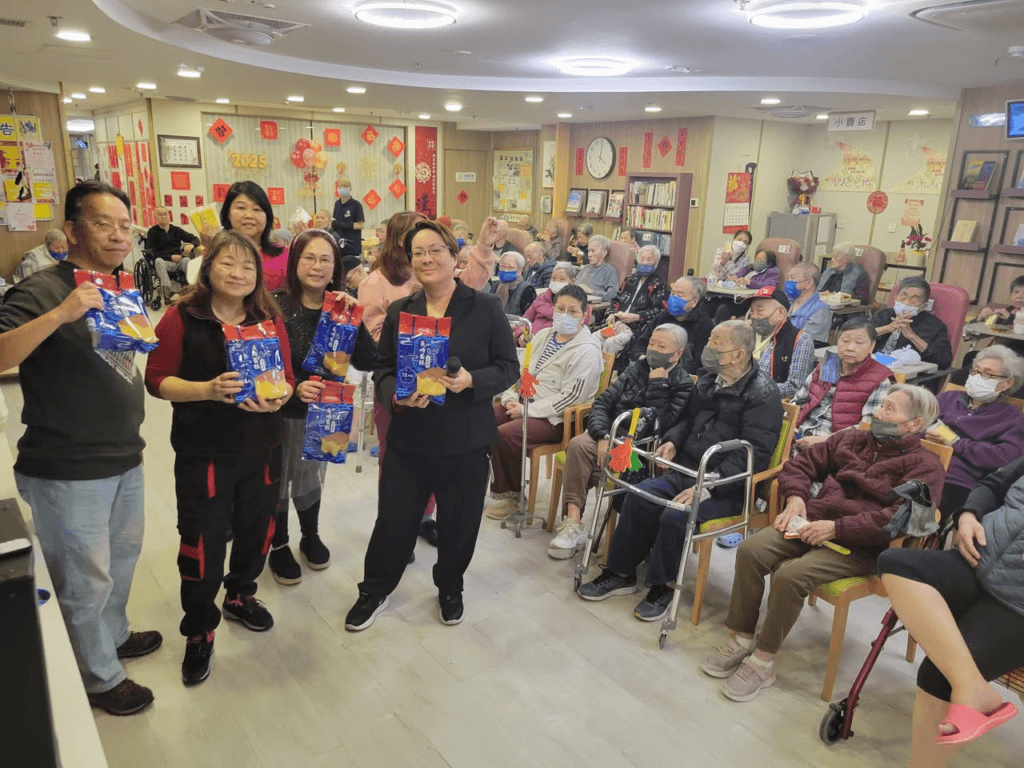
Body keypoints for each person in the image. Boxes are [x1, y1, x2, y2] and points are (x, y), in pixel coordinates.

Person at [0, 180, 159, 716]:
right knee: (83, 576)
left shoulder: (118, 287)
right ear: (71, 230)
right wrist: (61, 315)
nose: (118, 235)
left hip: (123, 454)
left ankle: (112, 637)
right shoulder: (42, 290)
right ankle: (97, 676)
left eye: (124, 226)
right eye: (102, 224)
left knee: (120, 560)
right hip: (67, 464)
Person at [700, 385, 945, 702]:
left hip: (864, 545)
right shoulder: (852, 439)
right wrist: (795, 498)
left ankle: (763, 660)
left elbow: (901, 519)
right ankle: (743, 638)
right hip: (814, 521)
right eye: (881, 405)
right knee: (751, 550)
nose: (877, 413)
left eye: (889, 409)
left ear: (914, 424)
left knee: (791, 575)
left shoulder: (926, 466)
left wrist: (837, 528)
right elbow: (800, 465)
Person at [345, 220, 519, 631]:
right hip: (410, 437)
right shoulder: (401, 310)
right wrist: (396, 396)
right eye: (418, 252)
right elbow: (384, 369)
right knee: (394, 520)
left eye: (435, 250)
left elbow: (508, 367)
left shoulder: (485, 308)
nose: (426, 259)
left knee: (459, 523)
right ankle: (374, 589)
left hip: (465, 437)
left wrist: (472, 380)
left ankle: (450, 586)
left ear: (454, 256)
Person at [145, 231, 295, 685]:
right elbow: (157, 379)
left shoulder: (268, 318)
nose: (238, 273)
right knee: (203, 543)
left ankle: (240, 595)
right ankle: (199, 630)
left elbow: (287, 379)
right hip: (205, 452)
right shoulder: (181, 317)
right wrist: (206, 390)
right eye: (227, 263)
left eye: (248, 266)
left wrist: (279, 397)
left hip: (263, 445)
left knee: (256, 529)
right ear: (208, 268)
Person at [577, 321, 783, 622]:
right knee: (639, 496)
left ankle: (664, 586)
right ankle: (620, 573)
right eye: (709, 339)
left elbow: (755, 454)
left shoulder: (763, 394)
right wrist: (673, 441)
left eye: (716, 343)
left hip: (726, 487)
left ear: (738, 354)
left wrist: (708, 486)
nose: (708, 347)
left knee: (676, 514)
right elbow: (687, 419)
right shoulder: (709, 379)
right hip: (686, 469)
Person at [877, 459, 1024, 766]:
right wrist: (968, 515)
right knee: (896, 563)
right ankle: (973, 689)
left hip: (1015, 607)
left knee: (938, 676)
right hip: (976, 560)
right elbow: (993, 485)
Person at [267, 230, 376, 585]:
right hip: (280, 411)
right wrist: (293, 387)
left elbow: (368, 360)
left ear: (335, 268)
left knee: (311, 479)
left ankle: (309, 535)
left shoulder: (341, 308)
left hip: (326, 413)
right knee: (278, 481)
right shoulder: (273, 305)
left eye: (325, 259)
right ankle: (278, 543)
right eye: (309, 258)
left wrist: (354, 315)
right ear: (295, 262)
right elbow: (263, 362)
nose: (317, 266)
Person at [549, 324, 693, 558]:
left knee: (599, 462)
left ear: (677, 354)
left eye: (661, 346)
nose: (653, 350)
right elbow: (603, 402)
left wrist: (658, 384)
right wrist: (602, 435)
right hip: (611, 433)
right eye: (651, 343)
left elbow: (663, 424)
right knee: (579, 444)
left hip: (640, 448)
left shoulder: (683, 383)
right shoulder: (637, 368)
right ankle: (573, 524)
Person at [486, 284, 604, 520]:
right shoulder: (544, 335)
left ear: (585, 315)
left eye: (573, 311)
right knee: (482, 419)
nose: (565, 315)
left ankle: (512, 496)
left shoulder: (587, 350)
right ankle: (481, 481)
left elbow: (572, 397)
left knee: (504, 435)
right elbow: (522, 369)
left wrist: (527, 411)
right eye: (560, 309)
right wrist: (511, 397)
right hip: (524, 402)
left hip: (557, 418)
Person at [930, 346, 1024, 515]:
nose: (977, 377)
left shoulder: (1012, 418)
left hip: (956, 480)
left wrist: (957, 443)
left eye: (988, 374)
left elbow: (1006, 458)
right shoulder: (946, 398)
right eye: (975, 371)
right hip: (919, 463)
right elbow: (916, 423)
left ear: (1007, 383)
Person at [792, 317, 893, 449]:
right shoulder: (829, 364)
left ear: (871, 346)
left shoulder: (879, 378)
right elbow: (798, 400)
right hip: (801, 433)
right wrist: (791, 424)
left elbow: (867, 426)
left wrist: (824, 440)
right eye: (845, 341)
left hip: (837, 445)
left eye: (859, 343)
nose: (850, 348)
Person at [617, 276, 713, 375]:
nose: (674, 298)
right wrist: (643, 360)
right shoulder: (662, 317)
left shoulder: (705, 326)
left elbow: (698, 364)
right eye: (672, 293)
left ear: (694, 301)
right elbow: (640, 345)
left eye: (680, 295)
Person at [745, 286, 816, 399]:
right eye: (752, 311)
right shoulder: (748, 334)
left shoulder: (800, 340)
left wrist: (755, 391)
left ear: (781, 313)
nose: (754, 316)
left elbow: (795, 386)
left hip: (770, 402)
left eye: (760, 311)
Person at [217, 181, 288, 292]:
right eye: (241, 208)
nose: (249, 215)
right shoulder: (216, 253)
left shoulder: (284, 256)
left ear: (267, 216)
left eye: (257, 209)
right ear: (228, 214)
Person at [870, 277, 952, 369]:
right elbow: (860, 335)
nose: (906, 302)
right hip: (873, 366)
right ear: (896, 297)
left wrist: (911, 336)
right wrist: (888, 328)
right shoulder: (883, 315)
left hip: (905, 373)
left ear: (923, 306)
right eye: (903, 297)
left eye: (914, 300)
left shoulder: (935, 326)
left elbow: (944, 361)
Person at [606, 245, 669, 332]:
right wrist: (612, 314)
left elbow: (660, 311)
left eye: (649, 260)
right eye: (642, 259)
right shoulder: (630, 279)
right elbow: (616, 299)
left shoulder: (658, 284)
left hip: (637, 329)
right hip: (616, 323)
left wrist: (638, 317)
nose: (645, 263)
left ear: (656, 263)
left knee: (613, 340)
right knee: (596, 336)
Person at [145, 206, 201, 301]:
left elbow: (195, 239)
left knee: (187, 260)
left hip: (178, 261)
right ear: (156, 217)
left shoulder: (176, 230)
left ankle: (193, 289)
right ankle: (169, 292)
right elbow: (151, 252)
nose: (163, 217)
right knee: (158, 261)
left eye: (165, 214)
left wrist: (192, 245)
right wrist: (170, 257)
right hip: (164, 262)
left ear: (169, 215)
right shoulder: (152, 232)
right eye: (160, 215)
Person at [518, 263, 578, 341]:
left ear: (571, 282)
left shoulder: (577, 301)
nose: (557, 281)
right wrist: (521, 335)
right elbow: (525, 319)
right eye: (554, 278)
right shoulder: (542, 297)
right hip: (530, 339)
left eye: (562, 279)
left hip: (553, 341)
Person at [785, 262, 832, 345]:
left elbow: (807, 343)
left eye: (792, 278)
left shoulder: (820, 310)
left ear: (808, 283)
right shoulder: (788, 302)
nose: (788, 281)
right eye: (788, 277)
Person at [818, 242, 871, 306]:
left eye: (835, 257)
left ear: (846, 259)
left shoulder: (859, 275)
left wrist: (838, 296)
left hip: (843, 310)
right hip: (821, 307)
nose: (832, 260)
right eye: (832, 256)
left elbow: (863, 299)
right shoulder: (828, 272)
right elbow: (817, 291)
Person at [490, 251, 537, 316]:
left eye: (510, 267)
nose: (506, 270)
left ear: (519, 271)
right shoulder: (496, 286)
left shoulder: (527, 289)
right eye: (503, 266)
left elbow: (529, 316)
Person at [575, 235, 620, 302]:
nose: (589, 255)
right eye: (588, 251)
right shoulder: (586, 267)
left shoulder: (609, 271)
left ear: (604, 253)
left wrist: (591, 291)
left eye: (593, 251)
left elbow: (613, 295)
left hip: (590, 305)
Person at [330, 176, 365, 257]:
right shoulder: (337, 204)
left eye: (345, 186)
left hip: (352, 246)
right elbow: (335, 221)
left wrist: (343, 224)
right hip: (339, 245)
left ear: (350, 188)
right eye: (341, 186)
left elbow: (361, 225)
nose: (343, 189)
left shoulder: (356, 205)